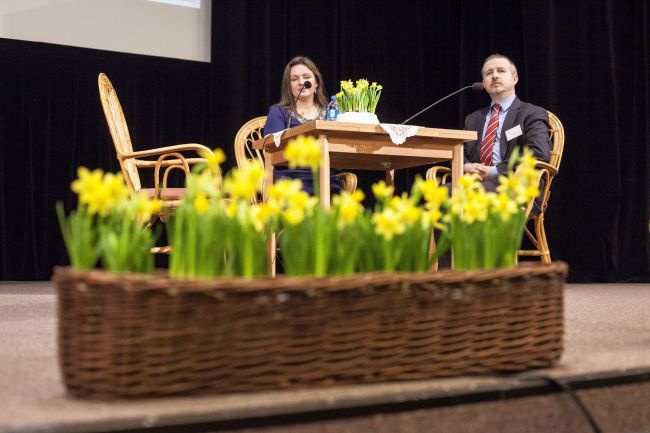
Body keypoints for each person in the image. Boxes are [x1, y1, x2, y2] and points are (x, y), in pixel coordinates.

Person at [462, 54, 551, 193]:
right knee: (438, 195)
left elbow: (539, 153)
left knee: (461, 194)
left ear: (515, 79)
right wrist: (465, 166)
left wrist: (493, 171)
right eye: (489, 73)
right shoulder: (473, 119)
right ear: (484, 84)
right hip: (474, 183)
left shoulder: (532, 113)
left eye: (501, 71)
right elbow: (458, 151)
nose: (495, 76)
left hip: (513, 186)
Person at [263, 55, 342, 195]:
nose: (301, 82)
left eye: (306, 77)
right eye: (294, 79)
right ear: (289, 86)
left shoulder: (331, 112)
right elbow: (269, 148)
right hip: (290, 179)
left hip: (325, 177)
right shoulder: (278, 112)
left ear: (316, 83)